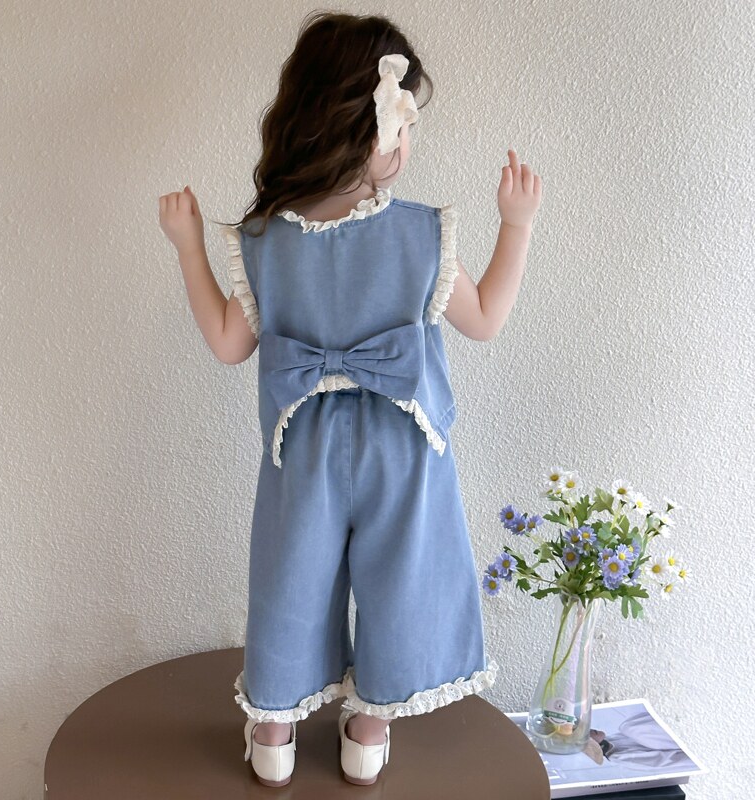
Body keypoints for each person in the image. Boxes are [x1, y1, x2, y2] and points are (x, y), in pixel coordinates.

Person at [159, 10, 542, 788]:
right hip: (405, 446)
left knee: (290, 580)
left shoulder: (265, 240)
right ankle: (368, 732)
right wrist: (517, 227)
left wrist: (190, 250)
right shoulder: (421, 236)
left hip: (302, 446)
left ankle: (273, 735)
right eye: (406, 126)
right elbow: (486, 320)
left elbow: (230, 344)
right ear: (374, 129)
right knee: (404, 575)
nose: (409, 143)